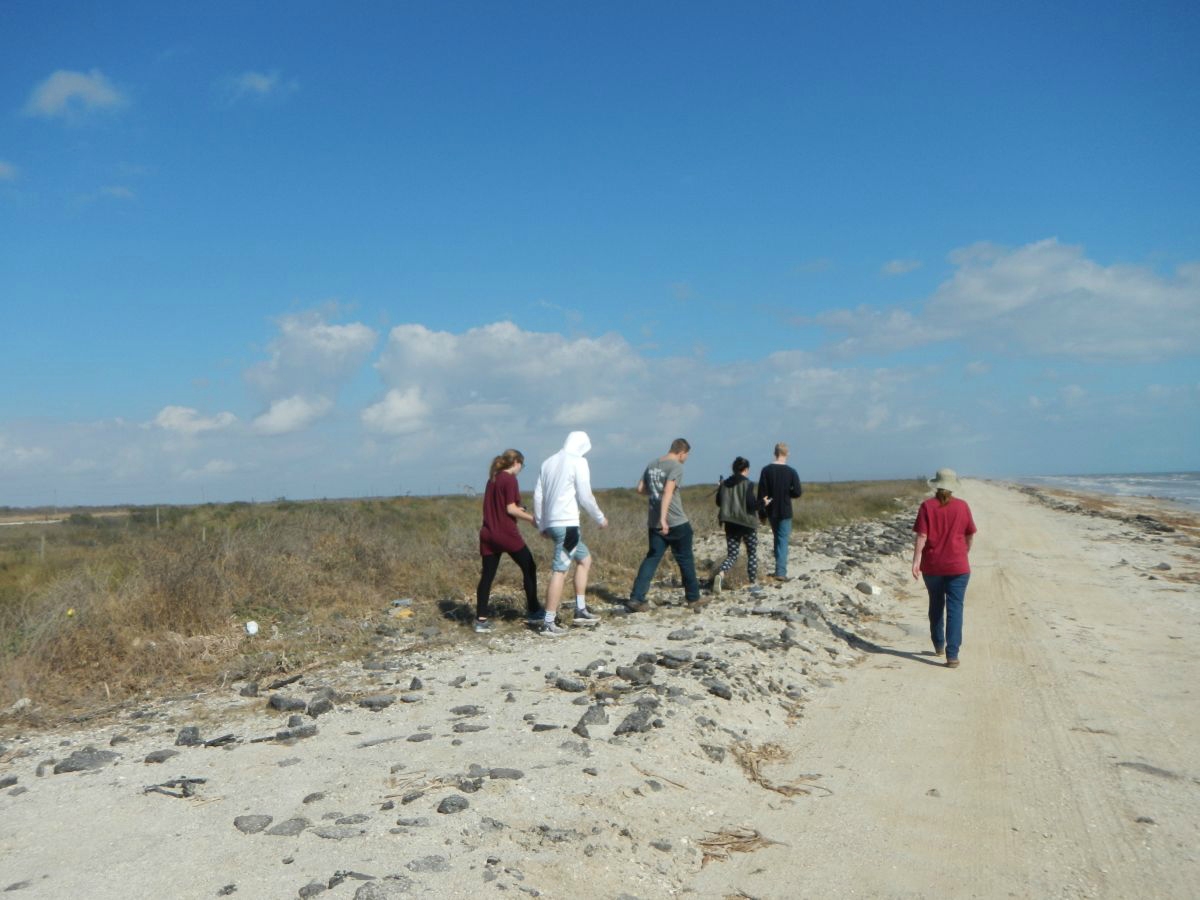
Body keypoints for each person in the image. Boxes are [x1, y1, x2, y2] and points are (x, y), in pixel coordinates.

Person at [532, 431, 608, 635]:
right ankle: (548, 621)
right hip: (568, 526)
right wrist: (600, 518)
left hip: (555, 525)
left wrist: (541, 523)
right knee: (560, 570)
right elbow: (585, 495)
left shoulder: (548, 462)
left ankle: (580, 610)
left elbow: (539, 495)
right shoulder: (578, 461)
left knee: (585, 559)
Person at [626, 438, 706, 612]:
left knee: (651, 559)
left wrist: (655, 494)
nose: (686, 458)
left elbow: (640, 488)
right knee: (685, 559)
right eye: (687, 455)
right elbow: (668, 492)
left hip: (653, 522)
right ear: (681, 452)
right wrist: (664, 519)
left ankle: (636, 598)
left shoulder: (653, 464)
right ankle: (693, 598)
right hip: (675, 521)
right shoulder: (676, 466)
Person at [911, 468, 977, 668]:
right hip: (958, 565)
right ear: (952, 487)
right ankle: (952, 655)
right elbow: (970, 535)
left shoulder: (927, 506)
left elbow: (921, 536)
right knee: (955, 608)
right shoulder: (962, 506)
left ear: (936, 485)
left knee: (936, 603)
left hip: (932, 565)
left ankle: (939, 644)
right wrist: (963, 553)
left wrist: (915, 561)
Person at [475, 449, 539, 634]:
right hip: (505, 534)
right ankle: (534, 610)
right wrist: (532, 519)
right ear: (516, 462)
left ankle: (480, 620)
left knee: (487, 576)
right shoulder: (509, 479)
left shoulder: (493, 479)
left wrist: (520, 509)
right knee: (529, 567)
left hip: (488, 533)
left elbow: (501, 506)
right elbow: (511, 509)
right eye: (522, 465)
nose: (521, 469)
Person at [713, 456, 760, 595]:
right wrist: (763, 503)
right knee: (751, 553)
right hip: (747, 524)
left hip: (730, 524)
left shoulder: (724, 484)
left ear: (733, 469)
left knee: (732, 555)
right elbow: (751, 505)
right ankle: (753, 582)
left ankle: (721, 574)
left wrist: (719, 488)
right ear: (746, 469)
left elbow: (719, 503)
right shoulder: (748, 484)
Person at [757, 442, 803, 581]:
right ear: (787, 453)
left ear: (775, 453)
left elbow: (761, 493)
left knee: (778, 538)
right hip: (785, 509)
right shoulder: (791, 471)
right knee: (782, 539)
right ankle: (780, 571)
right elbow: (797, 492)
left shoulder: (766, 470)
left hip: (771, 509)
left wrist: (762, 513)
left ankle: (779, 568)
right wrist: (787, 492)